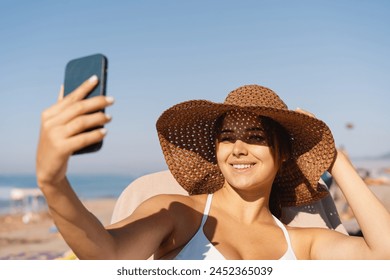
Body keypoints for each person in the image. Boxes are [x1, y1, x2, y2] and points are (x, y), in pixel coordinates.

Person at [36, 76, 390, 259]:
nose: (237, 149)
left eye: (255, 136)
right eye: (226, 137)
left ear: (282, 153)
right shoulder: (177, 214)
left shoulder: (301, 243)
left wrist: (332, 155)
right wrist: (53, 183)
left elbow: (382, 255)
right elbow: (105, 254)